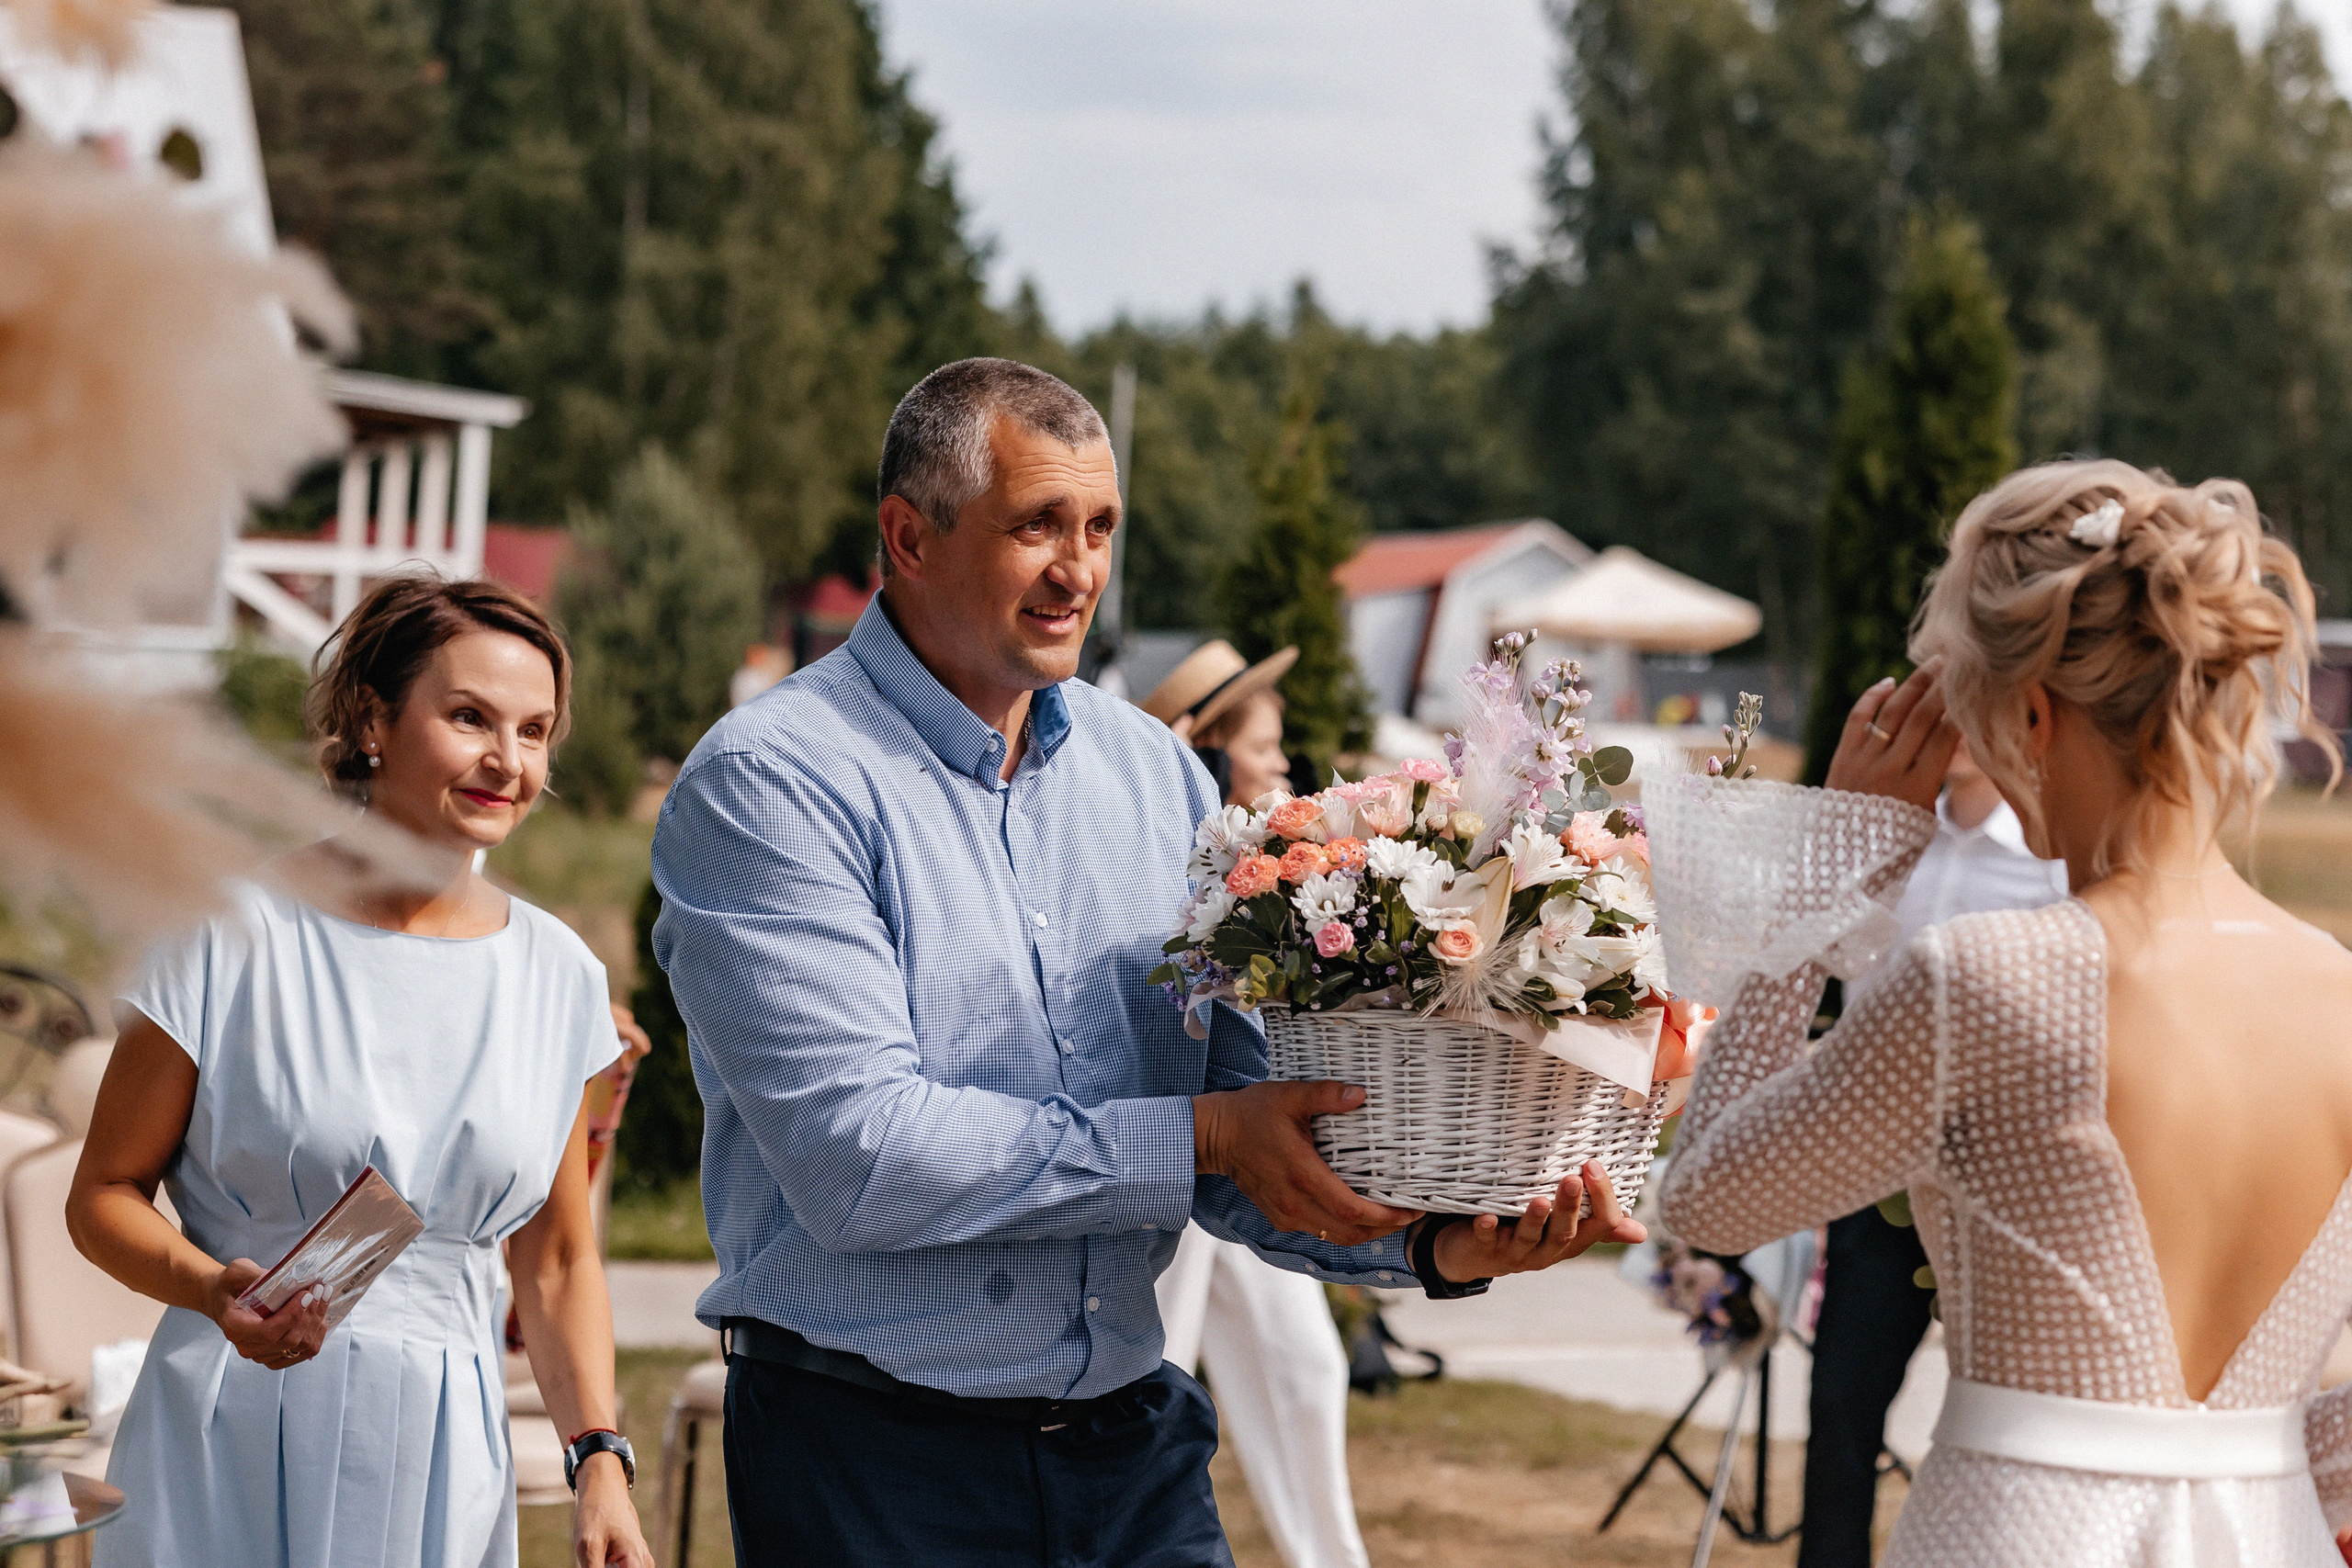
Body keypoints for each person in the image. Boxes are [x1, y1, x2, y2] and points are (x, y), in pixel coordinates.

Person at [650, 356, 1642, 1568]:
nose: (1080, 569)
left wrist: (1437, 1236)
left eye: (1101, 525)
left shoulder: (1156, 777)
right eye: (1037, 525)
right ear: (908, 536)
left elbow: (1244, 1127)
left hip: (1133, 1453)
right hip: (870, 1466)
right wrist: (1204, 1135)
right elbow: (861, 1158)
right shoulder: (772, 782)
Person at [1658, 458, 2352, 1564]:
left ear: (2030, 709)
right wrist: (2255, 1470)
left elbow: (1705, 1200)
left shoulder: (1983, 980)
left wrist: (1831, 878)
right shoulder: (2342, 993)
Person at [66, 577, 652, 1568]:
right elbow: (103, 1195)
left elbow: (554, 1261)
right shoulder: (227, 933)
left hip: (443, 1446)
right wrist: (216, 1292)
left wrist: (598, 1460)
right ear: (373, 720)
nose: (506, 762)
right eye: (469, 717)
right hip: (227, 1430)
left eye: (534, 730)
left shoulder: (560, 976)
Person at [1798, 739, 2067, 1568]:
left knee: (2004, 1419)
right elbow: (1840, 988)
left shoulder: (2056, 864)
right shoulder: (1892, 846)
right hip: (1878, 1173)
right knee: (1842, 1400)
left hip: (2002, 1190)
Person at [1140, 642, 1370, 1568]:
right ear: (1203, 751)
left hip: (1249, 1149)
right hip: (1174, 1148)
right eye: (1264, 748)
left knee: (1305, 1367)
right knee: (1160, 1376)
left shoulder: (1268, 871)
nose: (1281, 768)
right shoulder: (1177, 862)